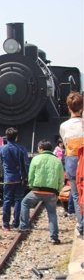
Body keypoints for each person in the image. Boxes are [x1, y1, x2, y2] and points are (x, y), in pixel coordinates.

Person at [18, 139, 64, 244]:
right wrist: (57, 192)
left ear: (41, 149)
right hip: (52, 192)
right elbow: (61, 179)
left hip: (37, 191)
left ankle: (24, 226)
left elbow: (31, 175)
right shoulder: (57, 160)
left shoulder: (36, 159)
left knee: (25, 203)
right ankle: (54, 237)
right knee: (52, 213)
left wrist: (32, 186)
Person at [59, 91, 84, 236]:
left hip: (72, 161)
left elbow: (65, 142)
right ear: (81, 107)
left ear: (69, 108)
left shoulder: (64, 126)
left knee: (75, 194)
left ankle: (81, 224)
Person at [0, 127, 29, 231]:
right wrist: (26, 176)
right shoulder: (22, 148)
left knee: (6, 200)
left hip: (8, 179)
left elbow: (1, 163)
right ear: (16, 137)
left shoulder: (2, 149)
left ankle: (6, 224)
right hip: (19, 179)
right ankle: (16, 222)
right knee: (18, 201)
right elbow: (25, 164)